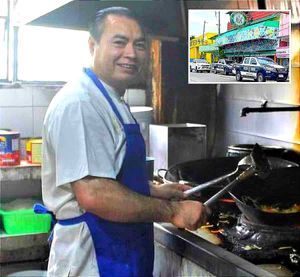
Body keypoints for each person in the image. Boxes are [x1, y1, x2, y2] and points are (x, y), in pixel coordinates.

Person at [41, 7, 208, 277]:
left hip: (120, 248)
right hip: (94, 257)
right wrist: (174, 211)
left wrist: (152, 189)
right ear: (92, 45)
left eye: (139, 45)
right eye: (119, 42)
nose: (131, 53)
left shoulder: (110, 98)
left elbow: (110, 171)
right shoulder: (81, 103)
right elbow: (94, 193)